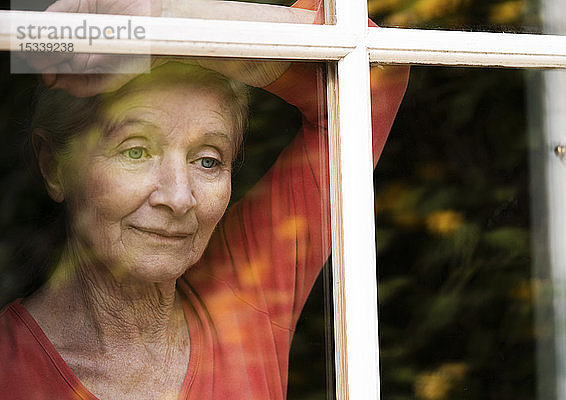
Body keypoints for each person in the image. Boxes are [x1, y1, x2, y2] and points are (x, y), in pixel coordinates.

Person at [0, 1, 409, 399]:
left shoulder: (247, 296)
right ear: (54, 167)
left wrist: (166, 19)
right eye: (136, 151)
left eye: (209, 160)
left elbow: (372, 74)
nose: (179, 197)